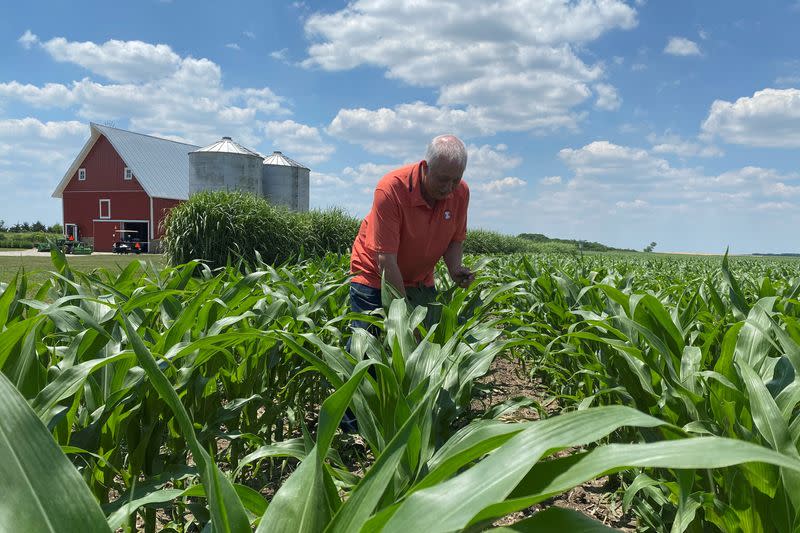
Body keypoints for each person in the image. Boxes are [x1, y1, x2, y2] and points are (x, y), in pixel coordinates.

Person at [349, 134, 475, 331]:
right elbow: (386, 261)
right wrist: (406, 316)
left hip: (420, 281)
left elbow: (454, 240)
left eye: (455, 180)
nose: (449, 188)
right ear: (425, 167)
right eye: (442, 180)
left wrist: (455, 269)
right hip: (374, 277)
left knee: (426, 344)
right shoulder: (391, 189)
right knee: (367, 346)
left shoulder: (461, 192)